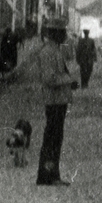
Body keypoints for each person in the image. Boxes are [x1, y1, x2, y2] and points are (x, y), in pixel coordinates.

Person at [36, 25, 78, 186]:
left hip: (59, 101)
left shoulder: (56, 50)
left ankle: (52, 175)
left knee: (55, 139)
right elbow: (49, 79)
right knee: (52, 140)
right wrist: (69, 80)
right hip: (54, 101)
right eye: (63, 32)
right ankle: (47, 176)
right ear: (55, 34)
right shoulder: (48, 53)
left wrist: (70, 82)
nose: (65, 35)